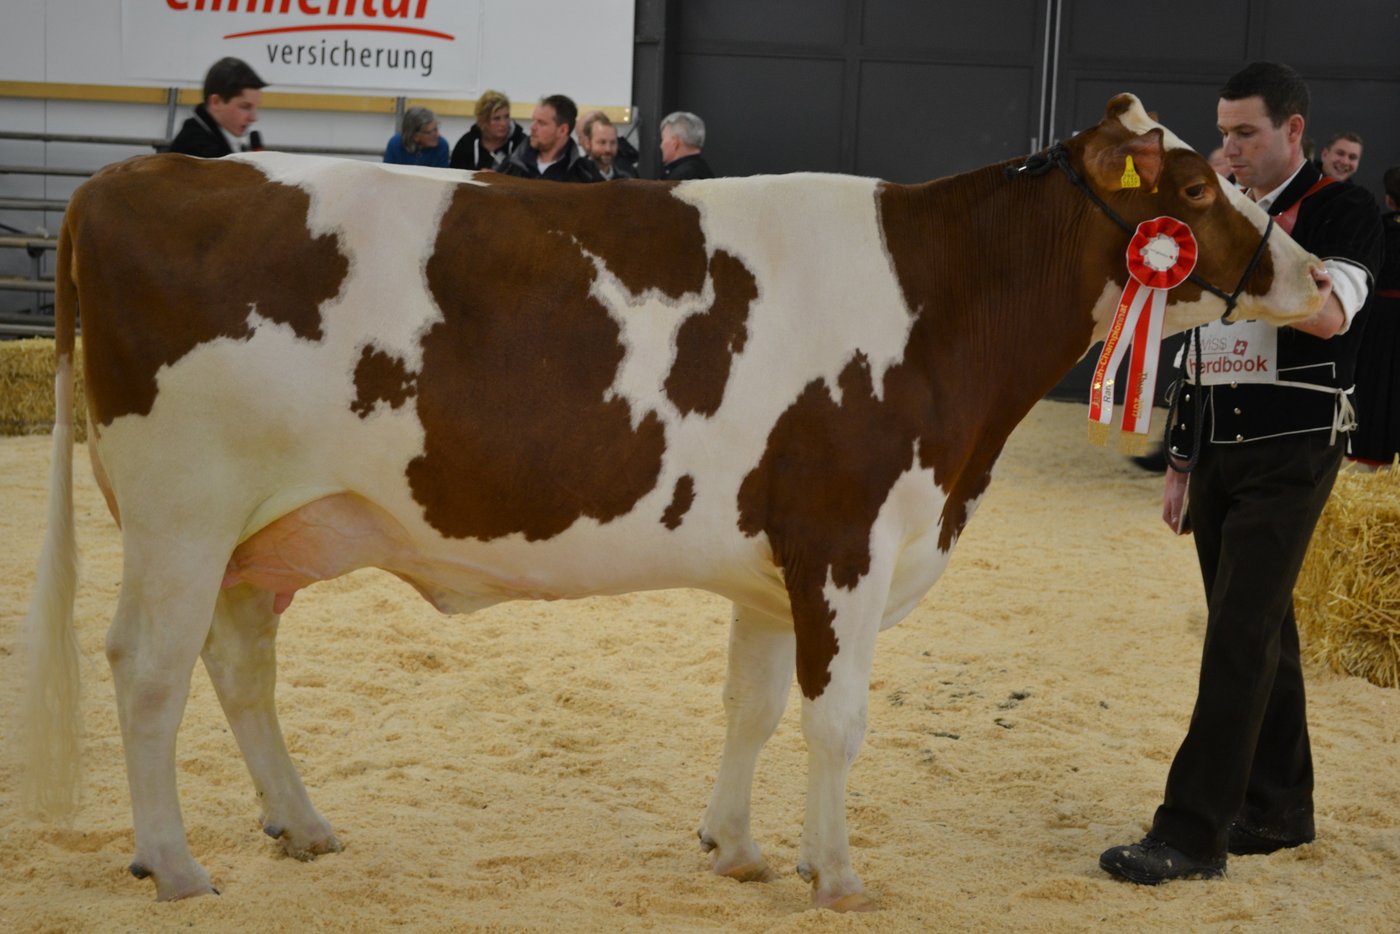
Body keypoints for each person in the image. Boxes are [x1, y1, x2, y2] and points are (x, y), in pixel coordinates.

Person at [1100, 61, 1384, 886]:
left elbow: (1331, 317)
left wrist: (1249, 234)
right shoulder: (1216, 215)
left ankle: (1191, 833)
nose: (1229, 147)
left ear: (1294, 131)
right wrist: (1181, 458)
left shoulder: (1342, 210)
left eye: (1245, 133)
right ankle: (1279, 807)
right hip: (1220, 444)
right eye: (1223, 132)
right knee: (1258, 629)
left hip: (1295, 443)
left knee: (1236, 633)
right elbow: (1198, 347)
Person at [1350, 165, 1400, 466]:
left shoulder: (1377, 226)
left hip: (1377, 319)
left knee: (1374, 381)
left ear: (1389, 199)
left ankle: (1368, 448)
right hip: (1381, 314)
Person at [169, 57, 267, 158]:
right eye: (245, 106)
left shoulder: (217, 142)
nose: (253, 118)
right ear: (216, 102)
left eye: (256, 107)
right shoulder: (197, 152)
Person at [501, 94, 600, 182]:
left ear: (562, 130)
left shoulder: (586, 174)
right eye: (534, 120)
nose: (532, 127)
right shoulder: (511, 166)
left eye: (541, 123)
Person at [449, 90, 527, 172]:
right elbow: (453, 178)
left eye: (506, 117)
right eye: (496, 118)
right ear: (483, 120)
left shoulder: (521, 144)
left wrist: (500, 178)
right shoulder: (466, 144)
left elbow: (529, 179)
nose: (503, 124)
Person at [382, 106, 449, 167]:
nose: (438, 134)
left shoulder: (442, 145)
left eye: (436, 129)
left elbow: (442, 178)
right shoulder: (395, 144)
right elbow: (386, 175)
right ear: (415, 136)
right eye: (431, 132)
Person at [659, 111, 713, 180]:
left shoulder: (682, 177)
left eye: (663, 139)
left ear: (675, 142)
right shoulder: (703, 170)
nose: (661, 145)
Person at [581, 113, 637, 180]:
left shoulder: (628, 176)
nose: (608, 149)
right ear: (588, 143)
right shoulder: (576, 178)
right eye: (602, 142)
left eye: (613, 143)